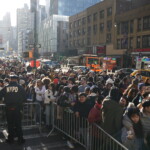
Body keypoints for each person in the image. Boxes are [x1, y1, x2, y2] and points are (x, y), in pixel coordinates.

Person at [0, 75, 27, 144]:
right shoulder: (20, 87)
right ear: (16, 80)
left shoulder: (6, 87)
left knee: (10, 124)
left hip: (8, 108)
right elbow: (25, 97)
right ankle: (20, 139)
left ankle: (10, 139)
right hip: (18, 108)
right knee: (18, 124)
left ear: (10, 79)